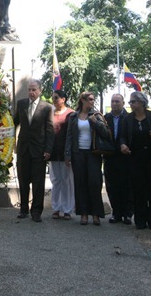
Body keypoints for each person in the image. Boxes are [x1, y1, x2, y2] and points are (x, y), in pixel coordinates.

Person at [119, 91, 151, 230]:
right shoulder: (127, 119)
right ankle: (140, 220)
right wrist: (122, 144)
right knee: (138, 190)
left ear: (141, 102)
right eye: (130, 102)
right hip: (135, 159)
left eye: (133, 102)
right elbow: (122, 136)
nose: (131, 104)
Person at [64, 91, 110, 226]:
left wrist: (96, 123)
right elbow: (69, 136)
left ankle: (96, 214)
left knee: (94, 183)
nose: (92, 101)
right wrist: (67, 155)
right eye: (89, 99)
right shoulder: (73, 116)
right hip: (78, 153)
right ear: (82, 100)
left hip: (93, 153)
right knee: (80, 183)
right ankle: (83, 214)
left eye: (93, 99)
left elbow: (106, 134)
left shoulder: (96, 115)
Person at [13, 79, 54, 222]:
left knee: (38, 182)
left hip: (39, 150)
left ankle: (36, 211)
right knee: (23, 180)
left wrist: (48, 150)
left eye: (34, 89)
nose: (31, 92)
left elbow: (50, 130)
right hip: (23, 149)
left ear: (40, 90)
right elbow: (14, 122)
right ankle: (23, 209)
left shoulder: (47, 107)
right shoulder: (21, 104)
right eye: (29, 89)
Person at [104, 93, 133, 225]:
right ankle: (116, 213)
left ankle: (127, 214)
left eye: (117, 101)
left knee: (126, 185)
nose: (115, 104)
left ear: (123, 103)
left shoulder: (129, 117)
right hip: (110, 156)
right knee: (112, 186)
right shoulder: (105, 118)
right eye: (113, 101)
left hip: (126, 156)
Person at [48, 89, 75, 220]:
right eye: (53, 98)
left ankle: (67, 209)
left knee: (66, 180)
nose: (54, 100)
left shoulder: (71, 114)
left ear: (63, 99)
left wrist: (69, 153)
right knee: (55, 180)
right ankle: (56, 208)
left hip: (66, 152)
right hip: (53, 152)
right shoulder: (50, 113)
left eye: (56, 98)